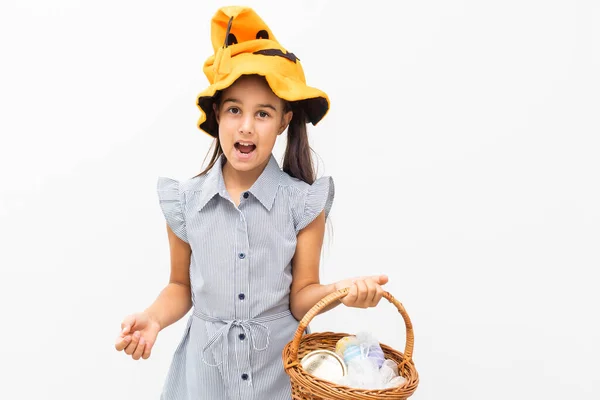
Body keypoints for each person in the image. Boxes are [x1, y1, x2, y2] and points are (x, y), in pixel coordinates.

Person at [114, 6, 388, 399]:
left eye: (263, 113)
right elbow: (180, 285)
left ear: (283, 121)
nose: (246, 125)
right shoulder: (185, 202)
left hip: (277, 374)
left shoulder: (302, 202)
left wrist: (340, 291)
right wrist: (153, 318)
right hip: (206, 377)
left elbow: (301, 297)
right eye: (234, 110)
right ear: (217, 115)